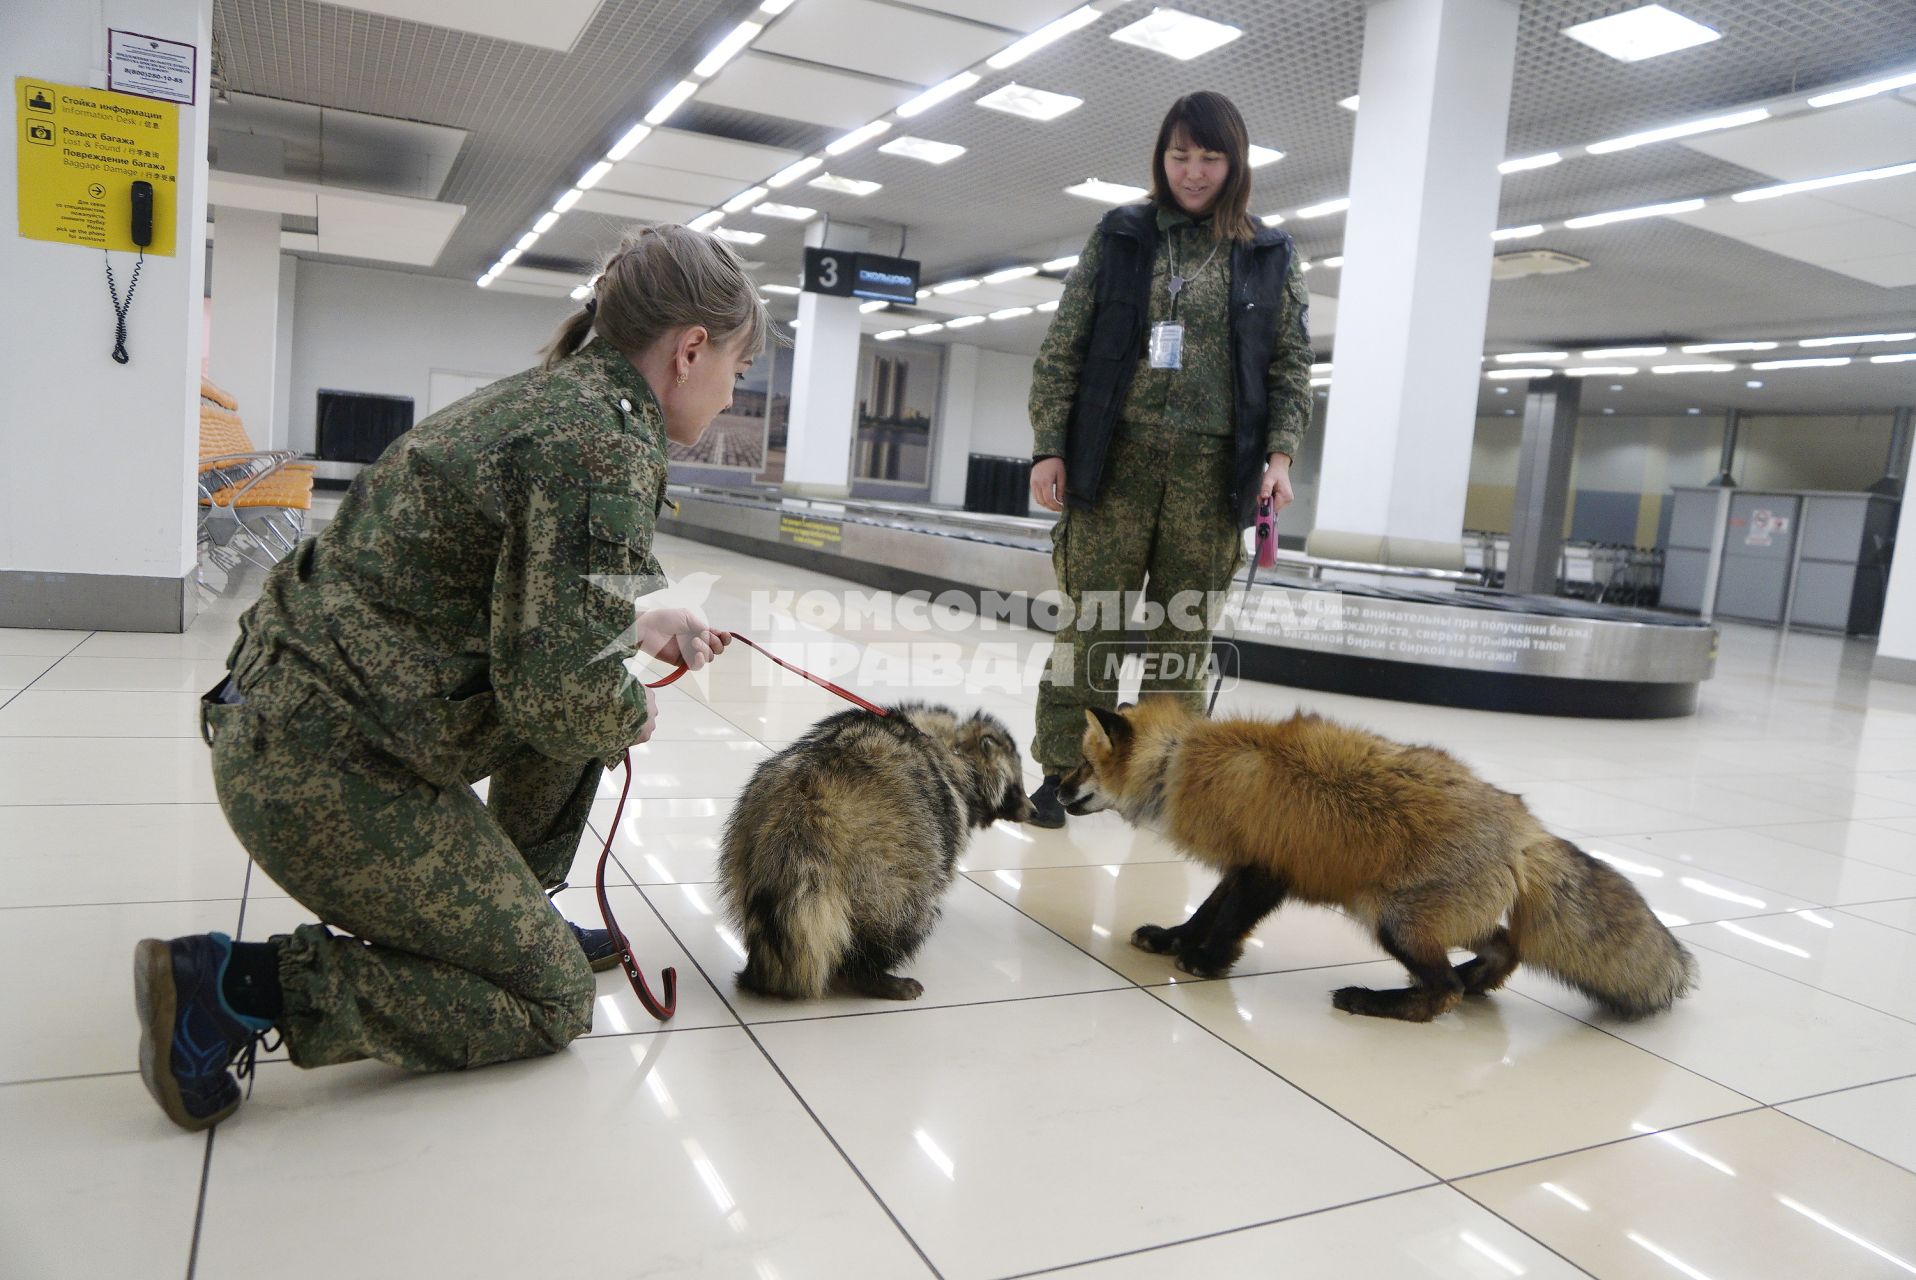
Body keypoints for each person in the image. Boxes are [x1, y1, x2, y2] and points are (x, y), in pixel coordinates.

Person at [134, 224, 767, 1130]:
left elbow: (538, 613)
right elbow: (559, 692)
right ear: (690, 350)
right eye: (736, 369)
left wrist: (637, 622)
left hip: (302, 716)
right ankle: (231, 990)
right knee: (549, 1000)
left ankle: (514, 915)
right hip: (322, 765)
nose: (731, 390)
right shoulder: (603, 442)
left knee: (592, 683)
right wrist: (626, 711)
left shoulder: (564, 401)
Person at [1025, 91, 1314, 827]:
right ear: (1161, 157)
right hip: (1113, 462)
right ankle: (1062, 768)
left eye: (1209, 157)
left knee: (1182, 641)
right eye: (1179, 155)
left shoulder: (1268, 254)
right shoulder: (1121, 235)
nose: (1192, 171)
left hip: (1212, 474)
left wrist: (1279, 456)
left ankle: (1159, 780)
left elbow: (1289, 365)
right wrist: (1050, 446)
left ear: (1234, 163)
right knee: (1091, 625)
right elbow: (1067, 345)